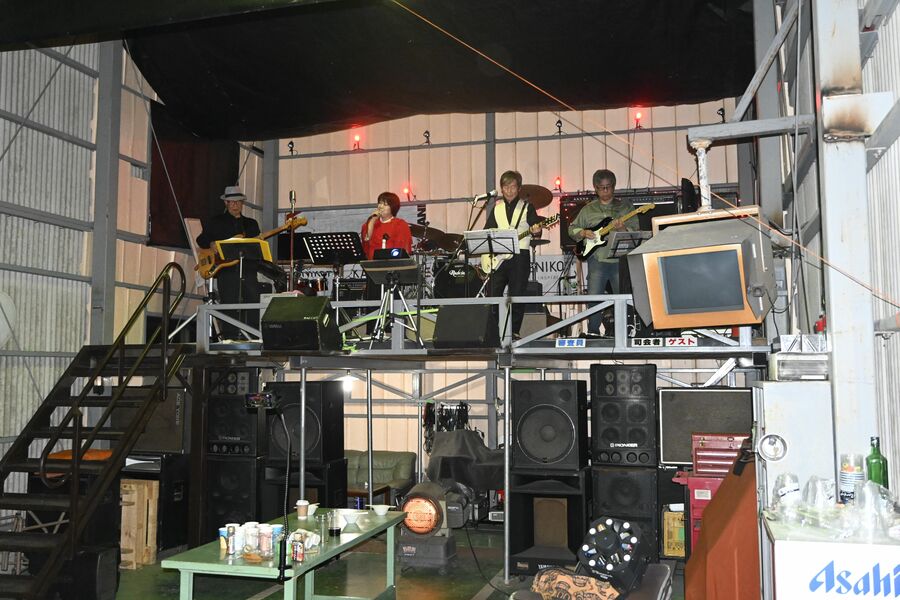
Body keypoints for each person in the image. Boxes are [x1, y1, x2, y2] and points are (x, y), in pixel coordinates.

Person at [568, 169, 638, 336]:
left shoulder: (625, 207)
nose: (605, 191)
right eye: (601, 188)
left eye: (608, 187)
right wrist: (583, 232)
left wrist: (623, 228)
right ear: (595, 188)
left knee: (622, 298)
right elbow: (572, 229)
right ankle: (593, 332)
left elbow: (636, 231)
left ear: (614, 187)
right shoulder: (588, 210)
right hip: (597, 260)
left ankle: (624, 331)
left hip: (619, 260)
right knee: (594, 298)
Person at [196, 185, 262, 338]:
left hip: (248, 269)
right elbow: (201, 240)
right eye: (231, 202)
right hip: (226, 270)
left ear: (242, 203)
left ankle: (253, 337)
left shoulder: (251, 224)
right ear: (226, 203)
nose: (235, 205)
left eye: (238, 202)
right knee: (229, 303)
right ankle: (230, 338)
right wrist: (211, 243)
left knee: (254, 302)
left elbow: (257, 247)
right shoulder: (216, 222)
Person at [484, 170, 543, 337]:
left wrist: (537, 231)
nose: (509, 190)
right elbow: (488, 231)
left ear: (519, 188)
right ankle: (495, 331)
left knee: (517, 294)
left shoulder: (527, 207)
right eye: (505, 187)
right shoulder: (497, 209)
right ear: (501, 189)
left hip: (519, 256)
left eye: (513, 186)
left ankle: (514, 331)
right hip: (499, 257)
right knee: (493, 293)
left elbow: (536, 230)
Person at [360, 192, 412, 260]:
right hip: (372, 263)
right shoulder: (369, 224)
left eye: (385, 204)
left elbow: (404, 249)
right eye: (380, 203)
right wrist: (372, 220)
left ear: (392, 207)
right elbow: (366, 242)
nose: (381, 207)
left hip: (393, 263)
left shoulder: (400, 224)